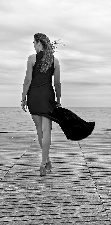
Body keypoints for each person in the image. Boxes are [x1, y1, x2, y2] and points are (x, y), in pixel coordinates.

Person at [21, 33, 61, 176]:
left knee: (39, 130)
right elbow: (57, 84)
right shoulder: (55, 61)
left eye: (34, 42)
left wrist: (23, 97)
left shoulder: (31, 59)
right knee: (47, 131)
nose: (33, 45)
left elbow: (27, 80)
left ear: (39, 43)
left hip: (34, 97)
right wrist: (59, 99)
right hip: (48, 98)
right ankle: (44, 162)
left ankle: (46, 160)